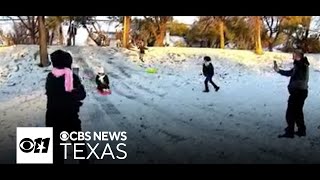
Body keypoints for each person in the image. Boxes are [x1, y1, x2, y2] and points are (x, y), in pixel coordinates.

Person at [45, 50, 89, 164]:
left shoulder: (50, 76)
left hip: (53, 118)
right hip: (69, 117)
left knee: (57, 150)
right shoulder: (72, 77)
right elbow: (82, 95)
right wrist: (75, 92)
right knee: (79, 147)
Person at [274, 49, 309, 138]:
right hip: (301, 92)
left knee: (290, 113)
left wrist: (297, 63)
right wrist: (279, 71)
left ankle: (290, 132)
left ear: (298, 56)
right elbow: (290, 73)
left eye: (294, 55)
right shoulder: (301, 64)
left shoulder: (301, 65)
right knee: (298, 112)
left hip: (298, 92)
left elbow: (298, 75)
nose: (292, 57)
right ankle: (301, 130)